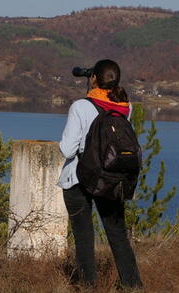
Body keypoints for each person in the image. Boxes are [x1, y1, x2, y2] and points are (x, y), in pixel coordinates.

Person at [58, 59, 143, 289]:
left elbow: (67, 149)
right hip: (112, 178)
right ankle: (132, 286)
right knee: (118, 235)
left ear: (93, 78)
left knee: (84, 238)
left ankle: (88, 287)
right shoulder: (126, 106)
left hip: (78, 179)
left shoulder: (80, 106)